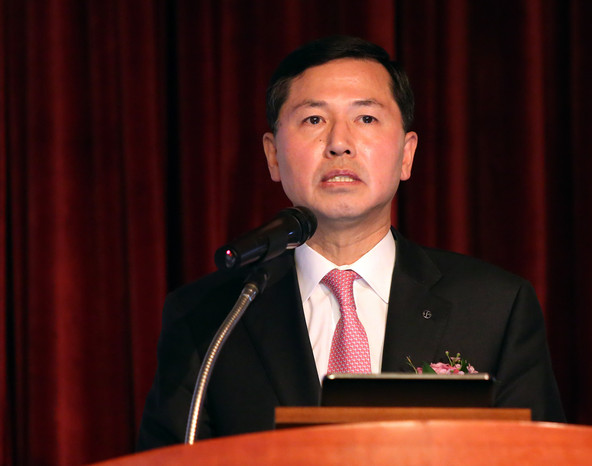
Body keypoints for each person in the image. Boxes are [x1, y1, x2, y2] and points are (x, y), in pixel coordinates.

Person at [137, 35, 565, 450]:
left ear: (406, 154)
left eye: (366, 119)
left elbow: (541, 457)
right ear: (273, 155)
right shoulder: (211, 317)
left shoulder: (494, 307)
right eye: (314, 120)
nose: (339, 144)